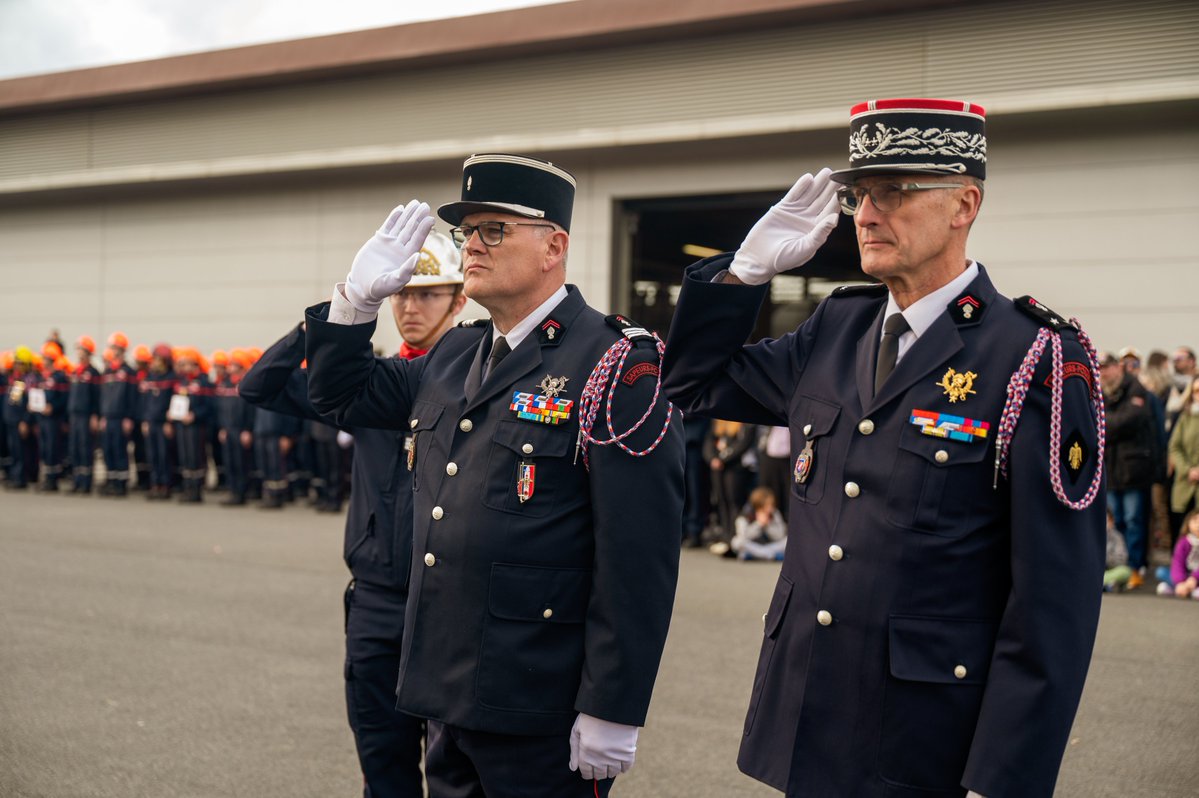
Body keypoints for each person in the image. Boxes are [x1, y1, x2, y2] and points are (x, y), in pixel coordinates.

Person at [661, 98, 1106, 798]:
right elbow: (691, 384)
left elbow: (1053, 603)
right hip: (809, 719)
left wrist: (1003, 780)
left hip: (927, 738)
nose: (866, 214)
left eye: (895, 192)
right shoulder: (834, 328)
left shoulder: (1033, 358)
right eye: (860, 194)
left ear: (964, 204)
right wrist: (740, 277)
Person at [303, 153, 684, 797]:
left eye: (494, 230)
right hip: (444, 690)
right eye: (466, 231)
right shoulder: (457, 352)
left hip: (539, 702)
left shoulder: (615, 362)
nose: (472, 246)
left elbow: (639, 558)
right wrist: (355, 301)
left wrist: (612, 706)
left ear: (553, 246)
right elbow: (341, 394)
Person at [240, 230, 466, 797]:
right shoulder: (365, 385)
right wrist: (339, 310)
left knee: (456, 776)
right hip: (375, 603)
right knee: (382, 767)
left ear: (460, 301)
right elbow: (259, 386)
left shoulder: (474, 383)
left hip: (446, 604)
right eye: (401, 296)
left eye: (429, 295)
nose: (410, 307)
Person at [1100, 349, 1158, 588]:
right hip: (1111, 468)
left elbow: (1129, 420)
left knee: (1135, 520)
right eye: (1100, 368)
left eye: (1106, 367)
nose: (1103, 372)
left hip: (1134, 468)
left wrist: (1108, 424)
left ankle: (1134, 566)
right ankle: (1116, 567)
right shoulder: (1100, 391)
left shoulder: (1136, 388)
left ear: (1117, 367)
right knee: (1116, 520)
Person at [703, 418, 756, 555]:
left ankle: (733, 537)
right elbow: (709, 440)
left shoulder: (744, 422)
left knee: (734, 502)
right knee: (721, 500)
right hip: (718, 467)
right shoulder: (717, 421)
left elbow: (743, 443)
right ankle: (725, 535)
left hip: (736, 467)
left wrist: (723, 458)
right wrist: (712, 458)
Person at [213, 349, 256, 506]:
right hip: (228, 429)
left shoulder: (246, 384)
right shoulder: (225, 383)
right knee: (229, 461)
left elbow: (251, 409)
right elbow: (221, 408)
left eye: (235, 365)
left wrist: (247, 429)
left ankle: (241, 493)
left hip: (241, 430)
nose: (231, 367)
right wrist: (223, 428)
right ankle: (232, 491)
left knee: (240, 462)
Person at [98, 333, 138, 496]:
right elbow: (104, 395)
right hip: (108, 417)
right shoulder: (108, 371)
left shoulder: (128, 371)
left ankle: (121, 483)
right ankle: (111, 480)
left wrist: (128, 417)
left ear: (121, 349)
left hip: (121, 417)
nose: (112, 350)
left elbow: (132, 396)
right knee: (108, 450)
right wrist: (103, 416)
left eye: (114, 347)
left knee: (120, 449)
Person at [139, 344, 178, 500]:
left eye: (159, 360)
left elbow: (174, 401)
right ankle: (154, 484)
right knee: (152, 455)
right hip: (151, 422)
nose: (155, 362)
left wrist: (170, 422)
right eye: (154, 359)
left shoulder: (171, 379)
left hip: (164, 424)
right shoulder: (149, 378)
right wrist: (145, 421)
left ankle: (165, 485)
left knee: (164, 455)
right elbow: (145, 402)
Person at [1167, 376, 1199, 549]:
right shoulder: (1185, 417)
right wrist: (1188, 470)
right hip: (1185, 482)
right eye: (1196, 391)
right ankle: (1178, 572)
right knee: (1181, 530)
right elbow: (1174, 447)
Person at [67, 335, 101, 494]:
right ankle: (77, 481)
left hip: (86, 416)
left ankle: (86, 483)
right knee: (74, 448)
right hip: (74, 415)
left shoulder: (93, 373)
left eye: (81, 349)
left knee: (85, 447)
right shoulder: (75, 372)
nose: (78, 352)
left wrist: (95, 415)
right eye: (78, 349)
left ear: (88, 352)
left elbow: (96, 396)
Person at [36, 342, 71, 492]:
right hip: (42, 418)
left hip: (53, 418)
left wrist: (54, 408)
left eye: (45, 358)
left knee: (52, 449)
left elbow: (64, 398)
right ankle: (47, 477)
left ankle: (53, 480)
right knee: (44, 449)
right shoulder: (41, 377)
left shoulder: (59, 377)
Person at [731, 486, 787, 561]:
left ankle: (755, 555)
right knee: (736, 542)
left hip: (770, 546)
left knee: (787, 541)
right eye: (767, 505)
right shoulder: (746, 516)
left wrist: (768, 525)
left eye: (772, 504)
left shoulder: (775, 513)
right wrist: (759, 524)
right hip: (753, 545)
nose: (770, 508)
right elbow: (743, 536)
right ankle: (769, 556)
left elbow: (780, 535)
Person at [1154, 509, 1199, 599]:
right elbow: (1177, 563)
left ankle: (1176, 589)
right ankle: (1183, 589)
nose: (1198, 524)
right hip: (1184, 577)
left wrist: (1194, 578)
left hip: (1196, 578)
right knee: (1161, 572)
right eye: (1195, 520)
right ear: (1188, 524)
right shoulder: (1183, 542)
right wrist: (1181, 582)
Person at [1103, 508, 1132, 592]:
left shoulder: (1117, 537)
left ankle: (1105, 584)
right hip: (1095, 572)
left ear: (1112, 522)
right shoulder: (1091, 537)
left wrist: (1105, 558)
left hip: (1111, 570)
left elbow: (1122, 559)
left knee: (1125, 571)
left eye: (1107, 521)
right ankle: (1107, 584)